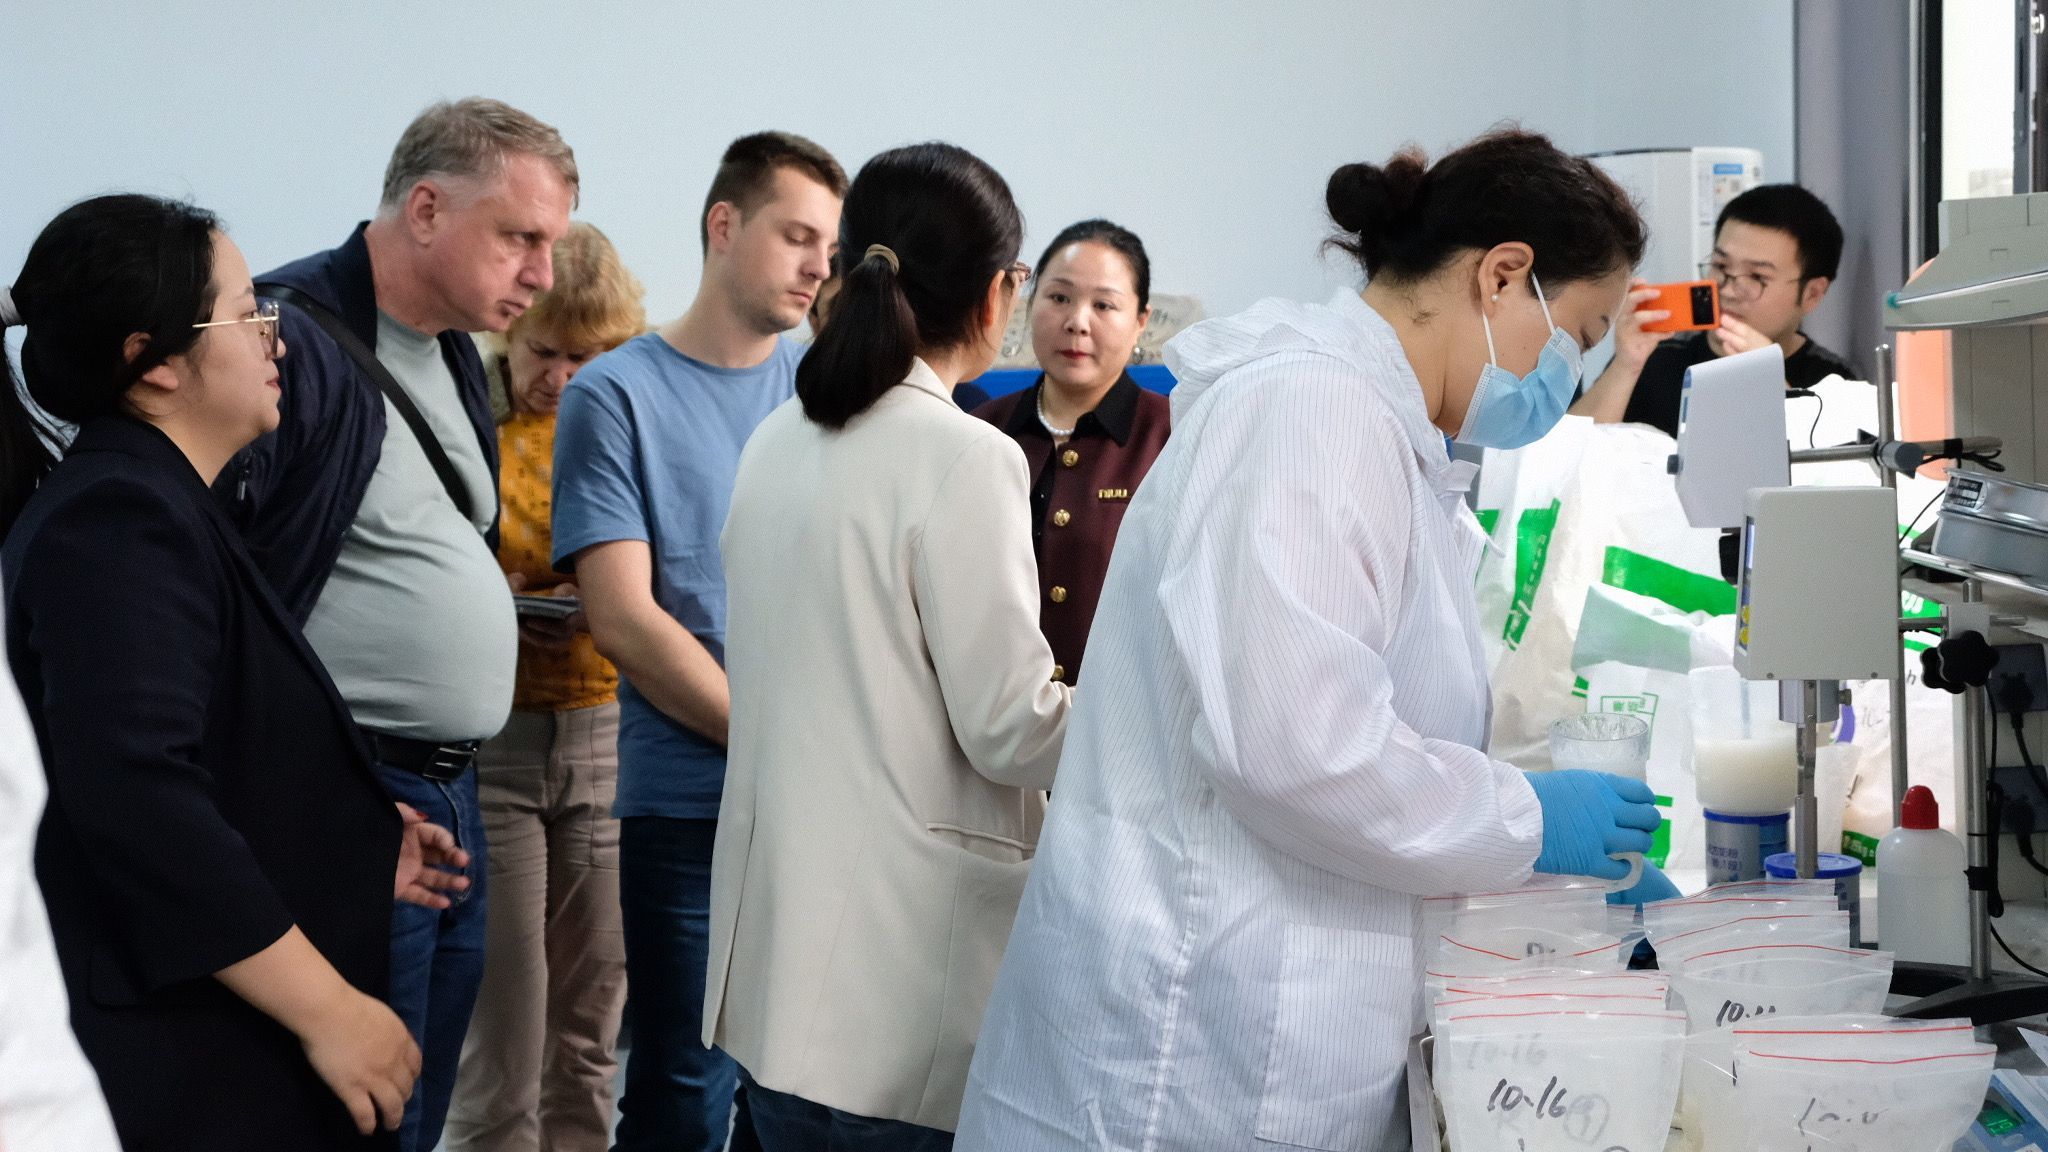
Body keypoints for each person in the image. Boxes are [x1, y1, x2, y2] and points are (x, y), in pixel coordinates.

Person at [954, 129, 1675, 1152]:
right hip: (1190, 1047)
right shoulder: (1309, 412)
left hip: (1256, 1019)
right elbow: (1300, 748)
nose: (1563, 377)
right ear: (1501, 275)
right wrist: (1523, 818)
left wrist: (1521, 863)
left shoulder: (1378, 428)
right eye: (1579, 336)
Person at [0, 194, 468, 1150]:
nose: (275, 339)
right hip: (183, 1059)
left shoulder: (163, 501)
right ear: (156, 360)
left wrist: (352, 839)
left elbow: (214, 743)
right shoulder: (119, 520)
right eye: (248, 312)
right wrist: (329, 1010)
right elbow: (138, 798)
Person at [214, 97, 579, 1152]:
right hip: (355, 790)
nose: (542, 274)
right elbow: (230, 582)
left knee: (416, 1106)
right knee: (350, 1111)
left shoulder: (455, 349)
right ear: (425, 210)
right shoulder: (285, 341)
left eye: (551, 245)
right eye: (520, 238)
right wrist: (313, 800)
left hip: (453, 787)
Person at [706, 141, 1072, 1151]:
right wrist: (1149, 701)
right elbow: (1010, 729)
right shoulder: (966, 456)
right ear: (999, 293)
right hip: (895, 995)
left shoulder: (777, 437)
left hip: (777, 986)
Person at [551, 130, 844, 1152]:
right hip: (689, 806)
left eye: (829, 247)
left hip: (824, 802)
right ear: (724, 225)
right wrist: (773, 741)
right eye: (796, 236)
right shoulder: (613, 393)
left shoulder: (826, 394)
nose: (817, 266)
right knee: (685, 1082)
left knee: (802, 1088)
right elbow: (627, 619)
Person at [443, 223, 646, 1152]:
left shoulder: (624, 430)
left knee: (590, 1028)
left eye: (585, 358)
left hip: (607, 731)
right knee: (504, 1032)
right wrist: (502, 595)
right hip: (499, 738)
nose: (560, 377)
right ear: (509, 334)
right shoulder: (468, 425)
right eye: (543, 352)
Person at [974, 219, 1170, 685]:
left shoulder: (1172, 436)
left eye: (1104, 305)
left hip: (1122, 714)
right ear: (1029, 304)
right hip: (991, 714)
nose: (1077, 322)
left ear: (1141, 320)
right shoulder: (981, 431)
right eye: (1059, 298)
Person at [1570, 182, 1855, 436]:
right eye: (1720, 266)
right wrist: (1626, 365)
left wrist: (1774, 386)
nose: (1727, 290)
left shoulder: (1834, 382)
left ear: (1812, 294)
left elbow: (1832, 473)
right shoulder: (1659, 355)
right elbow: (1565, 458)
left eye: (1757, 277)